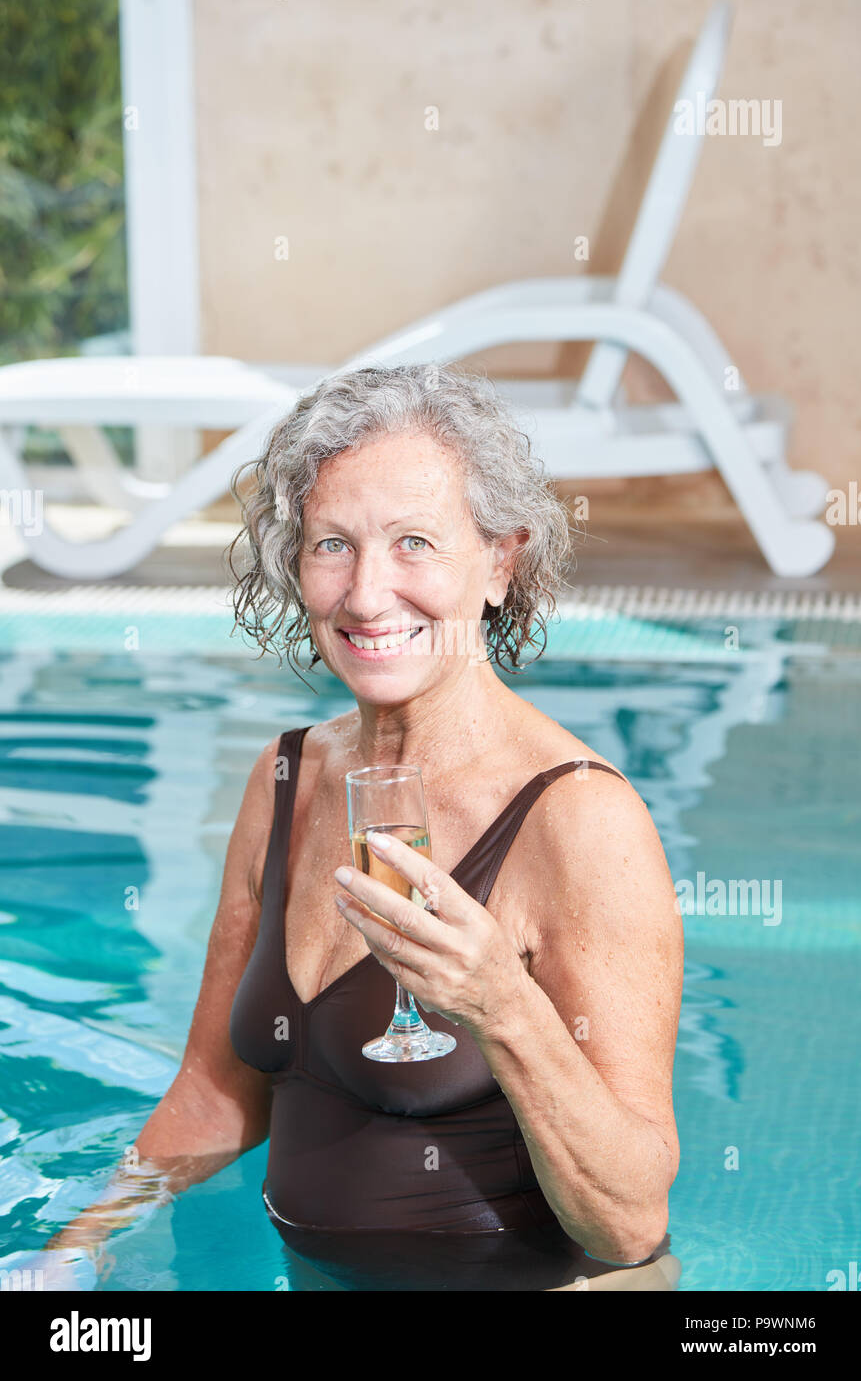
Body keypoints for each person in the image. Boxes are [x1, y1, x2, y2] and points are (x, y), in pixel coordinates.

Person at [37, 363, 683, 1292]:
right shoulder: (287, 777)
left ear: (501, 561)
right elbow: (217, 1096)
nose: (369, 594)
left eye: (415, 542)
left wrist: (503, 1007)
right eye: (333, 545)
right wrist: (75, 1247)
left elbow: (629, 1224)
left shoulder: (580, 820)